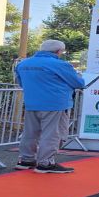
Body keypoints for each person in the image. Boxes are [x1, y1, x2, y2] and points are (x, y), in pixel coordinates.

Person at [15, 40, 85, 174]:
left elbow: (20, 82)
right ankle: (45, 163)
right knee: (52, 133)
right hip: (55, 103)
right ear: (59, 51)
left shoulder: (23, 64)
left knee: (30, 133)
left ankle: (26, 160)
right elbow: (78, 83)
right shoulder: (60, 64)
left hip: (31, 102)